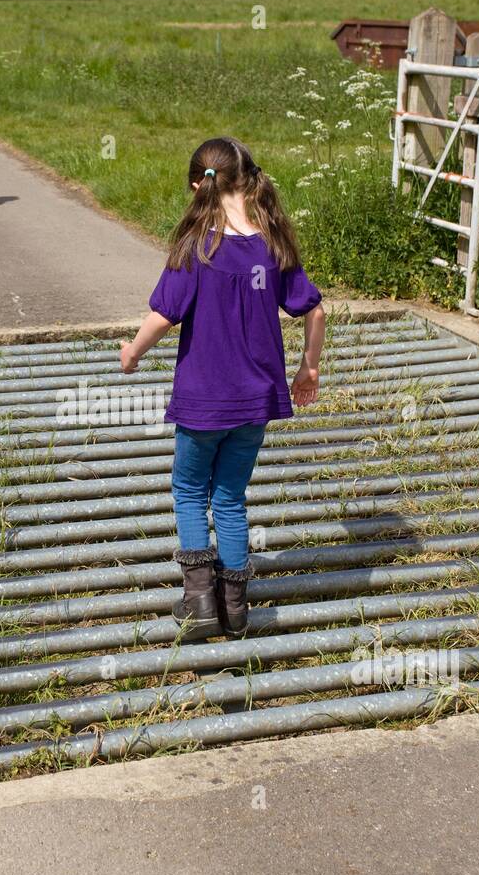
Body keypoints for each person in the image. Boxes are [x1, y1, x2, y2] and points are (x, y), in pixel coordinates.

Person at [120, 136, 325, 642]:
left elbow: (164, 315)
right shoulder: (272, 244)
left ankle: (198, 604)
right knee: (230, 497)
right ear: (248, 180)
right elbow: (314, 311)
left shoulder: (196, 246)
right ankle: (236, 611)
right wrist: (309, 369)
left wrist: (133, 352)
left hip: (203, 399)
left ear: (199, 186)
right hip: (255, 401)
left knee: (190, 490)